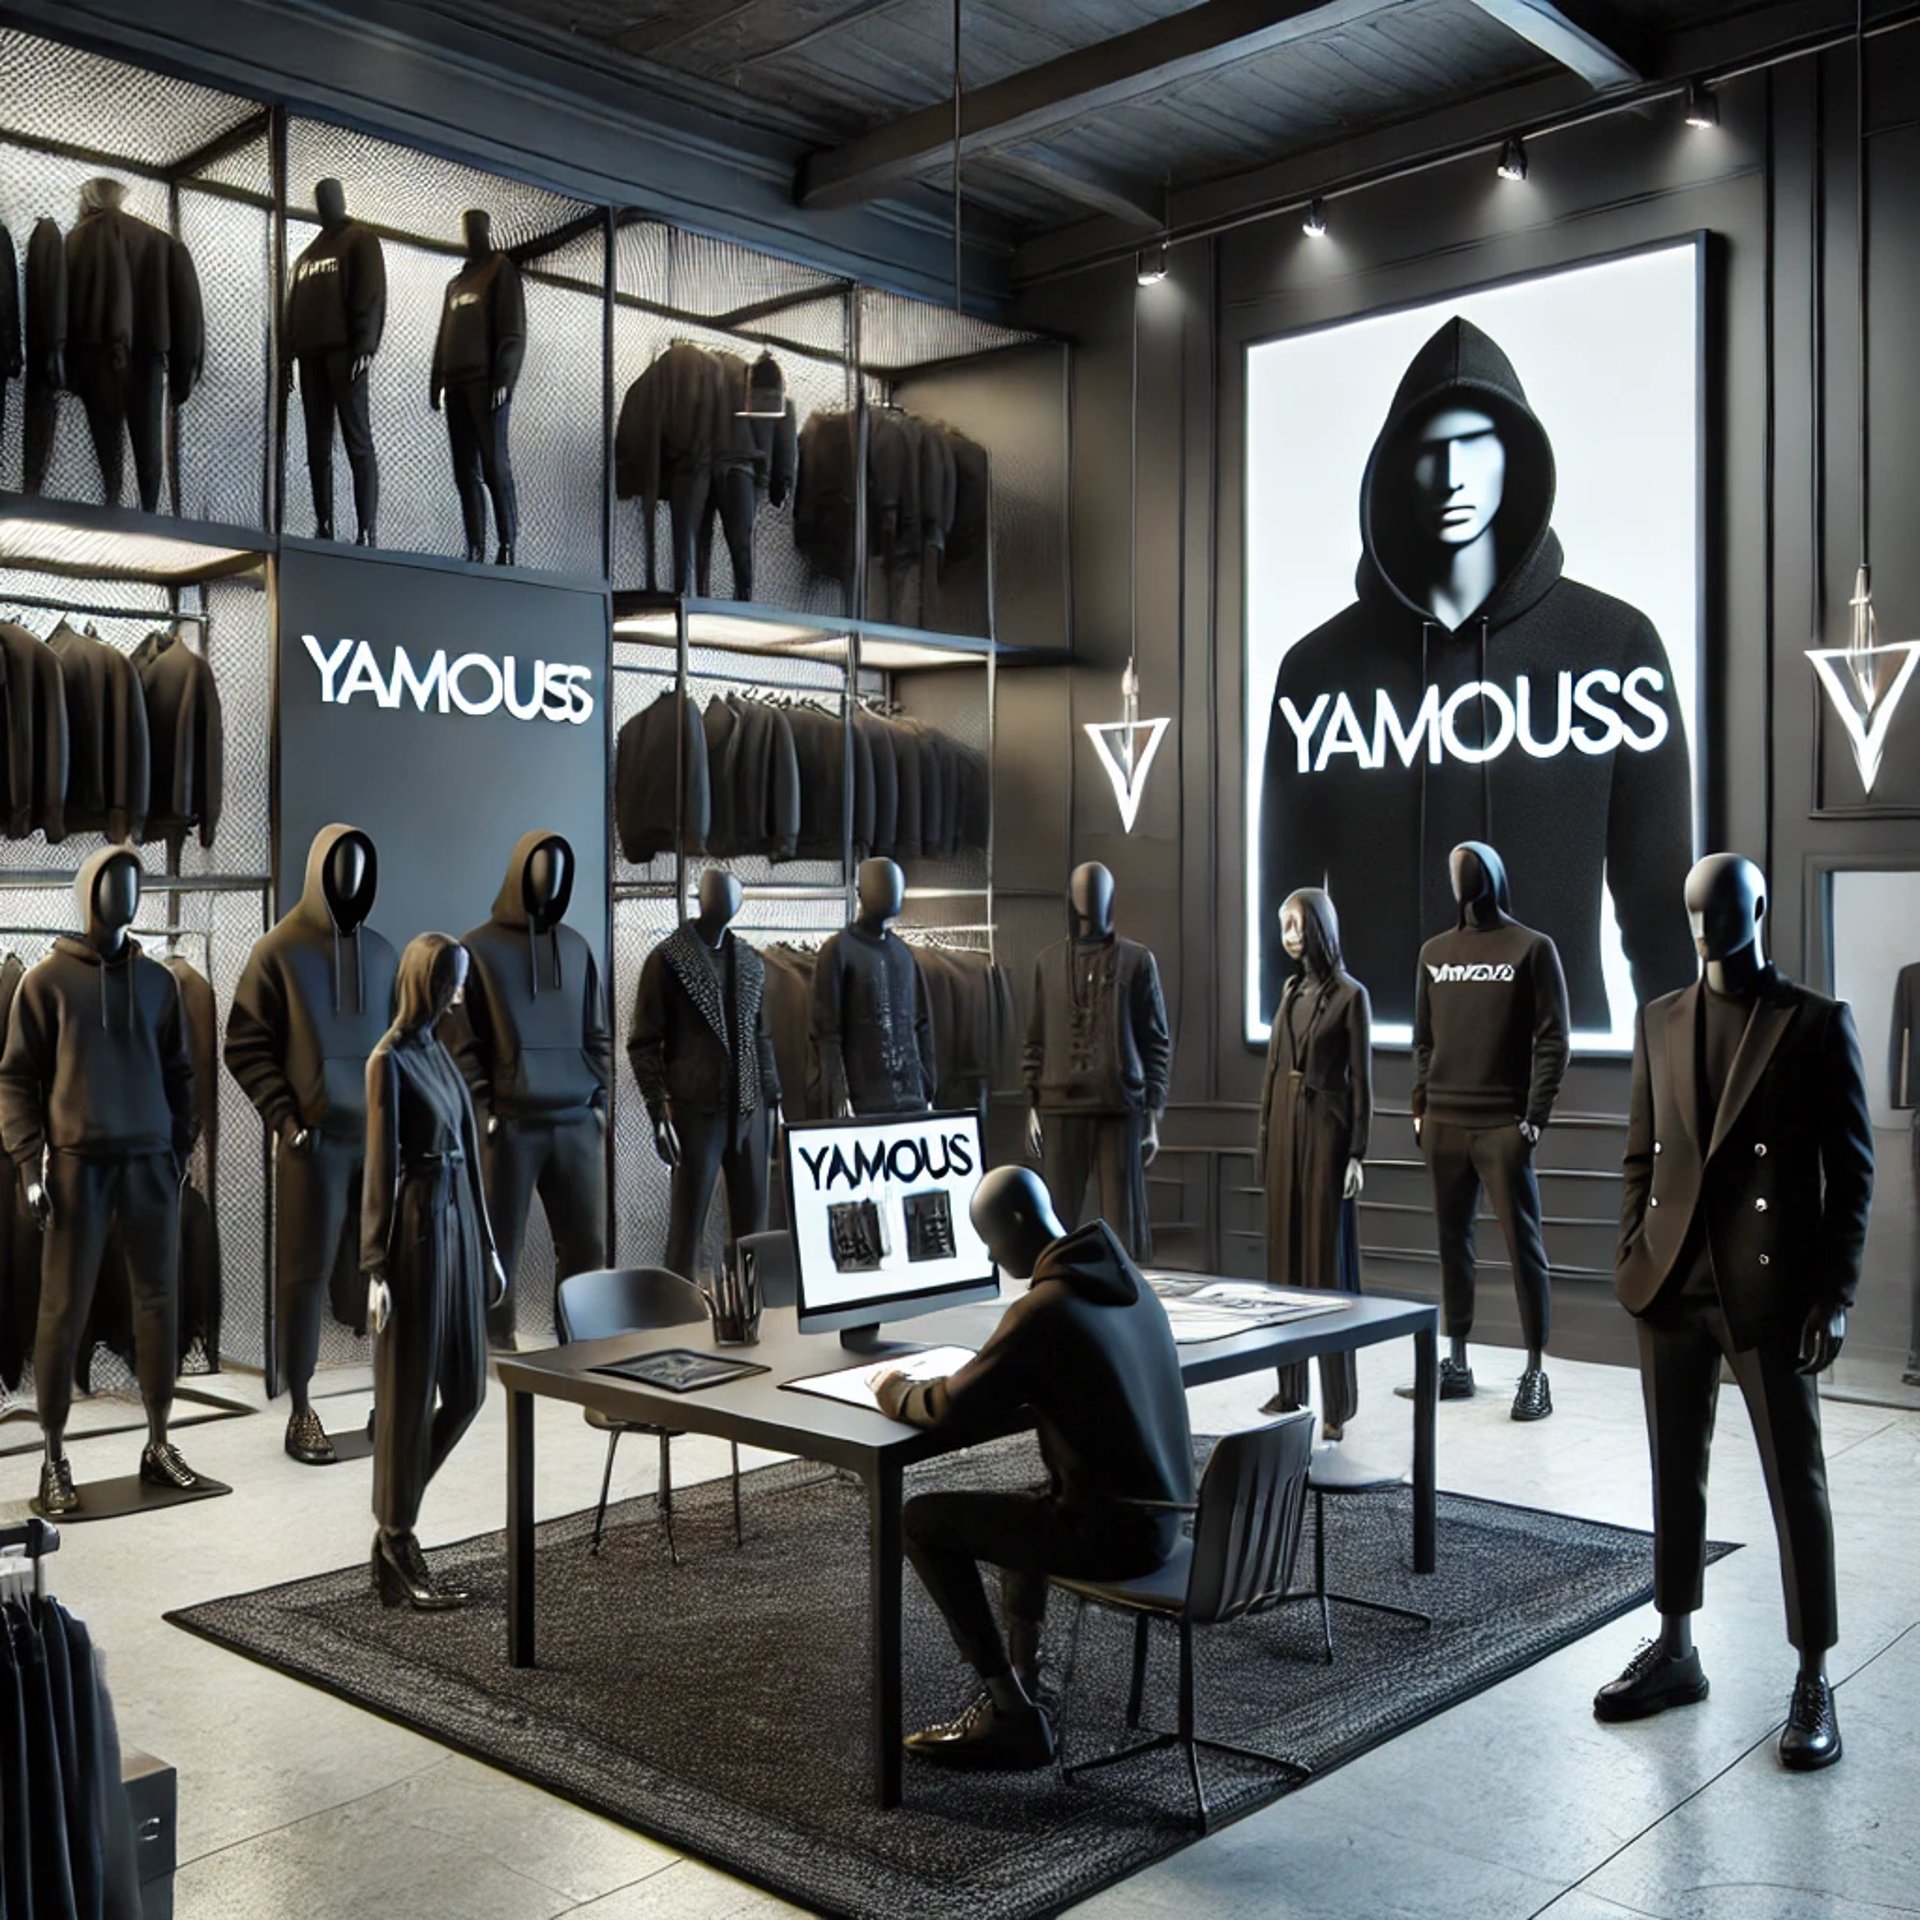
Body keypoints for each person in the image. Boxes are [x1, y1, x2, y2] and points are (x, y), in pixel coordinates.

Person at [1258, 315, 1695, 1035]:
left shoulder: (1616, 647)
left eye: (1478, 445)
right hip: (1375, 1067)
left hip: (1566, 1072)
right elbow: (1285, 924)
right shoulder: (1316, 670)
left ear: (1515, 458)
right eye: (1434, 450)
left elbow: (1661, 921)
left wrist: (1677, 1102)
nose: (1456, 474)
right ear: (1398, 469)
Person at [1595, 854, 1871, 1771]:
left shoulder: (1814, 1023)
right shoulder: (1660, 1017)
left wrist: (1834, 1296)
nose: (1705, 926)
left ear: (1758, 908)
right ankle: (1675, 1649)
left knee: (1799, 1487)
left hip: (1771, 1294)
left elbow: (1852, 1177)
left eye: (1721, 910)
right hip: (1670, 1288)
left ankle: (1812, 1674)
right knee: (1675, 1476)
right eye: (1692, 912)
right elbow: (1642, 1153)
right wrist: (1633, 1252)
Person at [871, 1165, 1194, 1770]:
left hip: (1112, 1538)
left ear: (1019, 1223)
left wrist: (892, 1388)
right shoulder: (1125, 1283)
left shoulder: (1046, 1310)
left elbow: (945, 1407)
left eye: (991, 1239)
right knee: (1026, 1502)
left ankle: (1009, 1711)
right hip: (1168, 1519)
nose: (992, 1254)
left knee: (920, 1518)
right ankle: (1022, 1676)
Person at [363, 933, 506, 1611]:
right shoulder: (388, 1061)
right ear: (430, 980)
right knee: (409, 1396)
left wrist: (490, 1246)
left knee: (469, 1390)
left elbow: (472, 1160)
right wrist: (374, 1267)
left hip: (456, 1226)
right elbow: (379, 1170)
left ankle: (395, 1521)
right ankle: (397, 1536)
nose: (458, 993)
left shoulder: (442, 1054)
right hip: (415, 1231)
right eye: (452, 980)